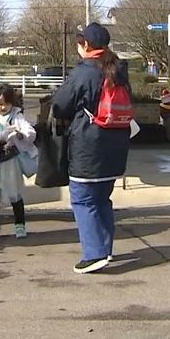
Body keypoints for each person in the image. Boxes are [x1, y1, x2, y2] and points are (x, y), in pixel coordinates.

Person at [51, 24, 131, 274]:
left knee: (83, 200)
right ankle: (104, 249)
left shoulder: (83, 73)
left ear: (85, 45)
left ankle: (94, 254)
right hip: (116, 145)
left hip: (88, 146)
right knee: (102, 199)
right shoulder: (119, 70)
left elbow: (60, 105)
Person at [0, 84, 36, 244]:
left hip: (11, 162)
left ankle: (20, 225)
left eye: (7, 103)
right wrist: (2, 135)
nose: (3, 107)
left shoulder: (17, 116)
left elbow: (30, 133)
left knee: (15, 194)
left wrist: (20, 135)